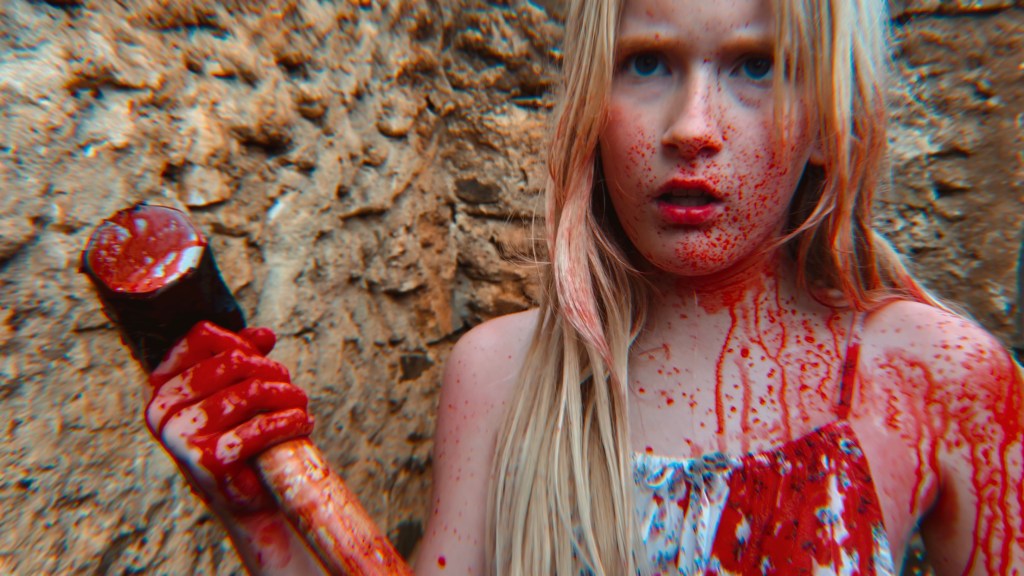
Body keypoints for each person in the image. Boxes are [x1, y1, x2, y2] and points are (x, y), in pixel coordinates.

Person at [145, 0, 1024, 574]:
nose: (691, 128)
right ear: (590, 107)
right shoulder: (499, 374)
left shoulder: (938, 380)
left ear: (832, 118)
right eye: (646, 62)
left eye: (757, 66)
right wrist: (263, 524)